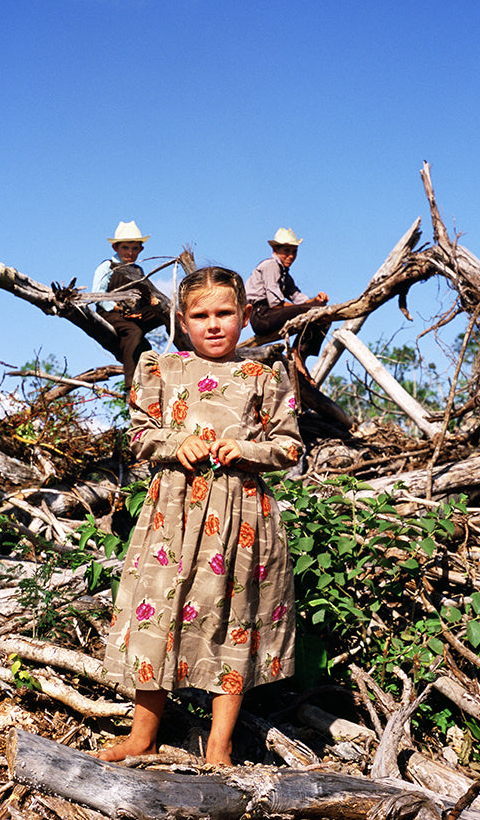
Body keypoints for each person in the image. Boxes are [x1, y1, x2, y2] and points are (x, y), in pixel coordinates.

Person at [95, 266, 303, 766]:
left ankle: (219, 744)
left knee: (234, 620)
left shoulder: (265, 375)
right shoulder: (161, 371)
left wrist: (248, 448)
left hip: (241, 518)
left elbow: (291, 446)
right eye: (201, 315)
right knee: (159, 615)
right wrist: (175, 441)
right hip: (173, 515)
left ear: (245, 315)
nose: (214, 324)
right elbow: (139, 437)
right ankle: (143, 736)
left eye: (225, 313)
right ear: (182, 322)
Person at [245, 227, 329, 379]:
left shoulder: (284, 273)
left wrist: (317, 300)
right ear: (275, 249)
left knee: (323, 313)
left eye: (294, 251)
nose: (291, 256)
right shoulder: (270, 266)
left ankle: (300, 355)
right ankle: (296, 353)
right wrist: (310, 308)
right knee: (317, 311)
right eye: (286, 251)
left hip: (270, 314)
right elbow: (276, 303)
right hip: (262, 315)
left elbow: (298, 297)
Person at [92, 220, 162, 387]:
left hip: (134, 313)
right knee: (134, 333)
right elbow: (97, 295)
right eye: (125, 247)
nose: (130, 252)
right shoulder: (106, 267)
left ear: (141, 249)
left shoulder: (138, 271)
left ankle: (186, 350)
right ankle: (131, 386)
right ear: (115, 248)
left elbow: (145, 295)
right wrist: (118, 308)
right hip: (110, 312)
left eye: (135, 248)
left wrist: (144, 309)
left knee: (164, 314)